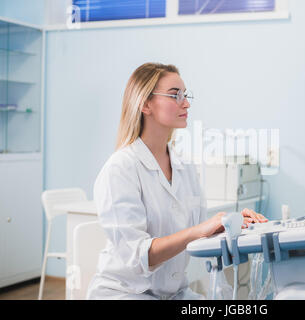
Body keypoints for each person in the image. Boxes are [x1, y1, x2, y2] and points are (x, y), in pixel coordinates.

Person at [86, 63, 268, 300]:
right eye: (175, 95)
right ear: (145, 104)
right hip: (126, 294)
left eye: (185, 95)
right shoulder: (120, 169)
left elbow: (200, 235)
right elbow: (138, 256)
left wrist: (230, 224)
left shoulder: (185, 168)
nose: (186, 103)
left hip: (174, 294)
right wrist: (198, 230)